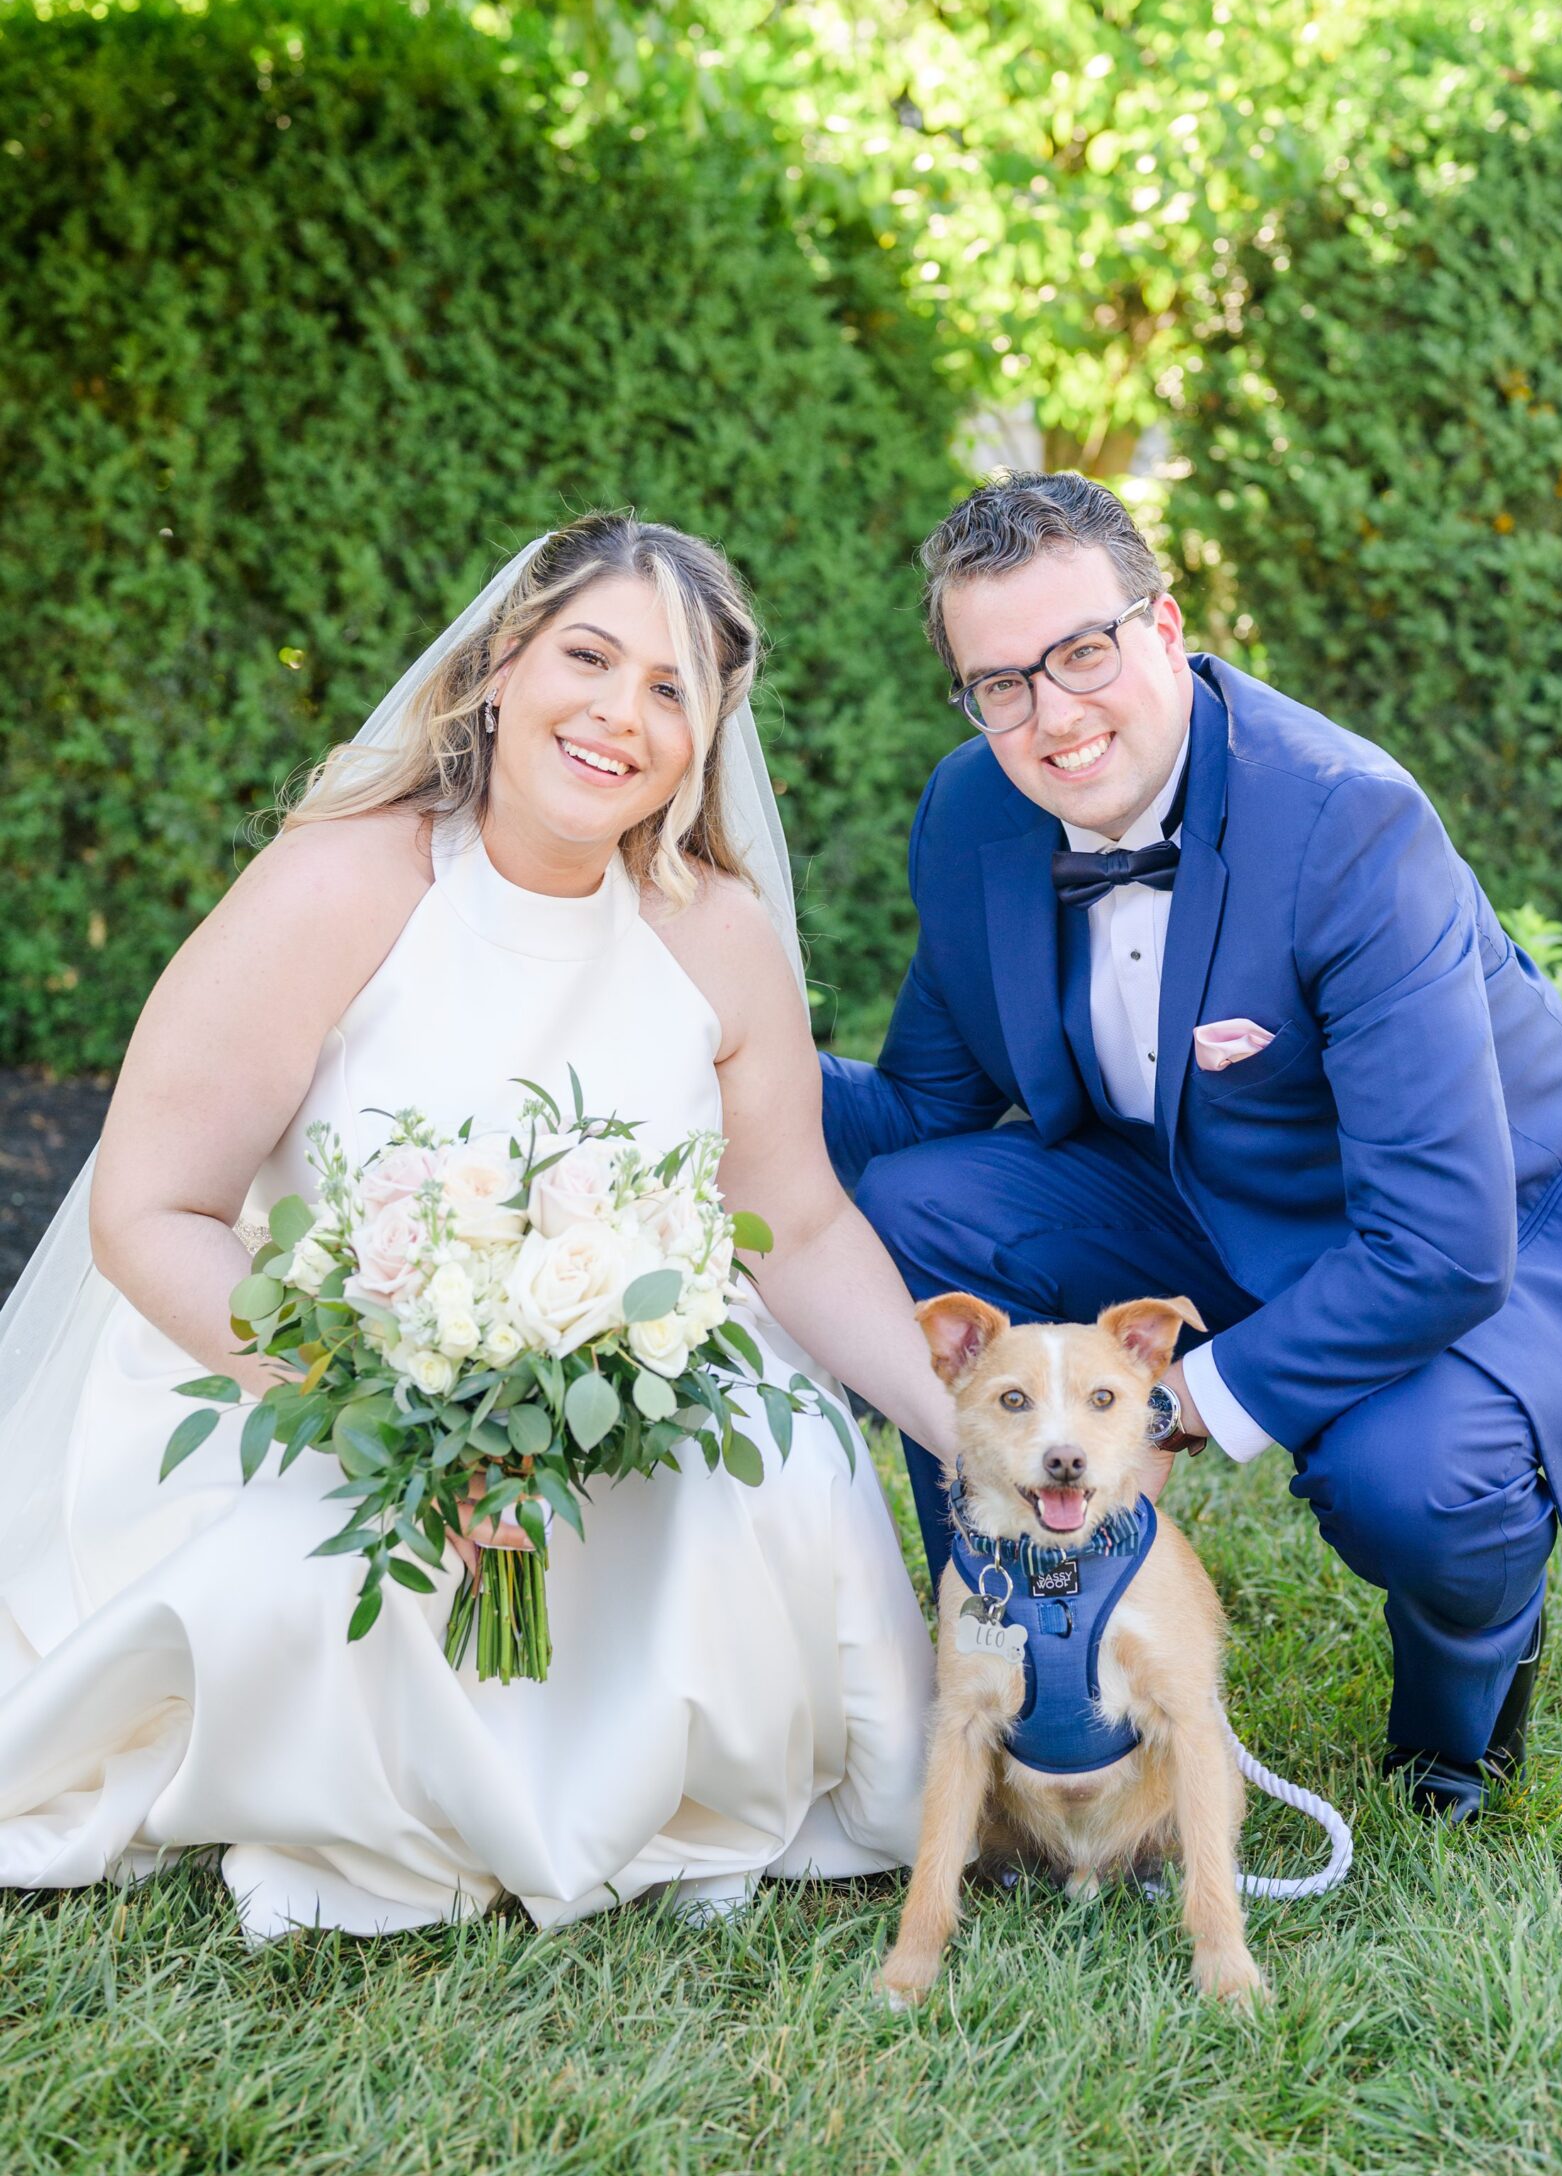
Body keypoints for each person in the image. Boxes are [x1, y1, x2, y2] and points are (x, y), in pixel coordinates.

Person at [0, 514, 951, 1936]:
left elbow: (798, 1230)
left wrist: (967, 1429)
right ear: (502, 662)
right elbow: (152, 1211)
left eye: (671, 690)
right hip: (299, 1373)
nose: (619, 716)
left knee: (771, 1470)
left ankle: (646, 1787)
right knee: (318, 1571)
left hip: (614, 1393)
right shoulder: (341, 885)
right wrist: (382, 1421)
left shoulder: (718, 935)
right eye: (590, 656)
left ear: (707, 738)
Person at [822, 469, 1562, 1821]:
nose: (1052, 716)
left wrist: (1174, 1408)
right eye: (1002, 682)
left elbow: (1444, 1242)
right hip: (1217, 1189)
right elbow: (923, 1118)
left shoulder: (1347, 821)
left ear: (1164, 627)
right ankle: (1017, 1662)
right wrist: (710, 1052)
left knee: (1408, 1479)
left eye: (1082, 652)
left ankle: (1464, 1704)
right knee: (915, 1206)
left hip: (1506, 1212)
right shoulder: (971, 815)